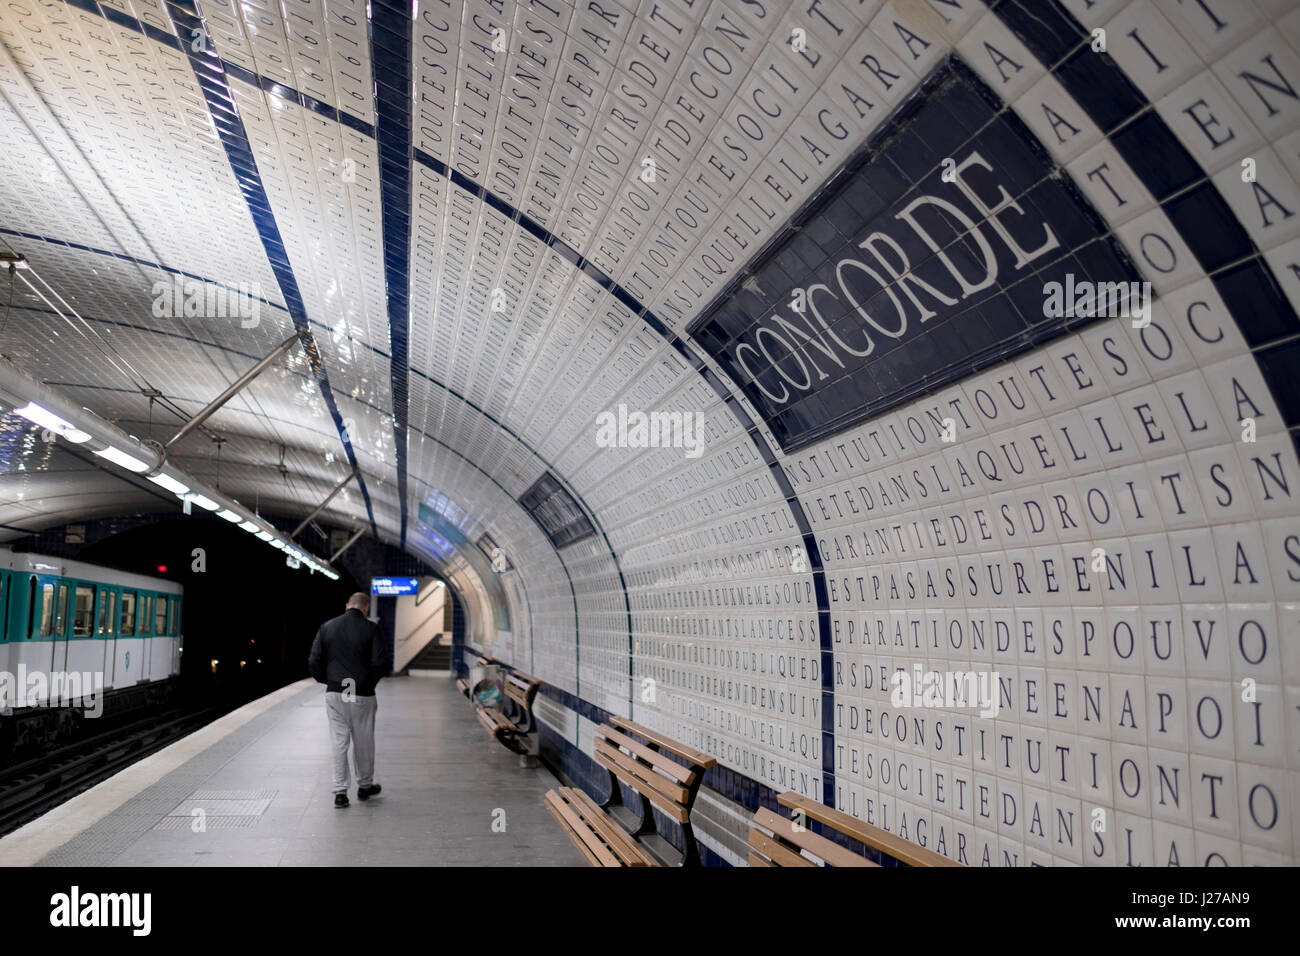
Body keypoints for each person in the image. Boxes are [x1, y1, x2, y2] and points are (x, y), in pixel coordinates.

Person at [308, 592, 388, 808]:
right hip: (362, 694)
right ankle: (364, 786)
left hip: (335, 692)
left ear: (347, 606)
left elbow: (314, 660)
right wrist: (367, 684)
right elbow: (381, 663)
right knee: (363, 741)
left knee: (338, 742)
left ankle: (340, 793)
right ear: (365, 608)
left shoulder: (327, 627)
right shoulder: (371, 628)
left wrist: (330, 682)